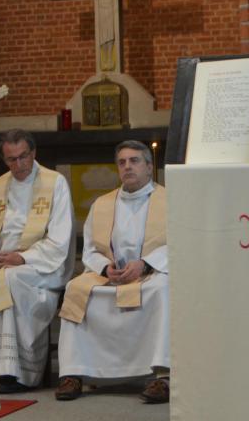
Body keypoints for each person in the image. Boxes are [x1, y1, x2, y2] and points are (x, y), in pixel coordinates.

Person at [55, 140, 169, 403]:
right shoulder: (102, 204)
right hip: (112, 276)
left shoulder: (169, 201)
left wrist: (145, 264)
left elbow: (178, 245)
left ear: (150, 167)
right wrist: (106, 268)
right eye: (122, 162)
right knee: (75, 289)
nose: (127, 167)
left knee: (162, 290)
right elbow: (91, 251)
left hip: (150, 274)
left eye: (135, 161)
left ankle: (162, 376)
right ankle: (73, 373)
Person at [0, 129, 75, 393]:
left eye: (23, 157)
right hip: (1, 265)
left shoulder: (55, 182)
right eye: (11, 160)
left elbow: (60, 239)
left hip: (42, 265)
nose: (18, 165)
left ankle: (19, 373)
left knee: (11, 278)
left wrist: (22, 257)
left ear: (33, 153)